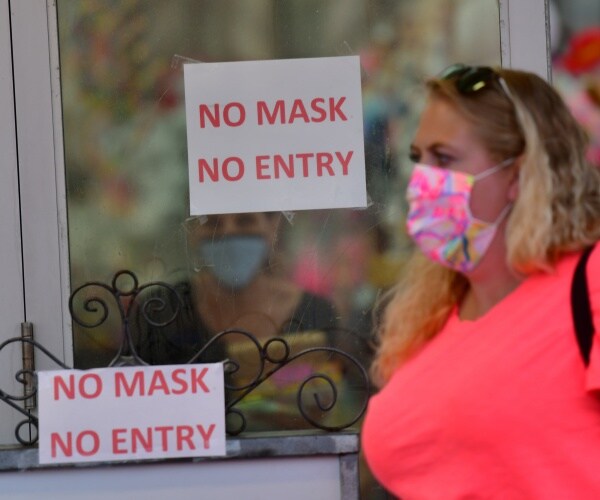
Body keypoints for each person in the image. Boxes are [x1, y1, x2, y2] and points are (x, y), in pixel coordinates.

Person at [361, 64, 600, 498]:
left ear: (517, 174)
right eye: (419, 159)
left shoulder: (590, 283)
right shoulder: (431, 312)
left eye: (444, 158)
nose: (421, 181)